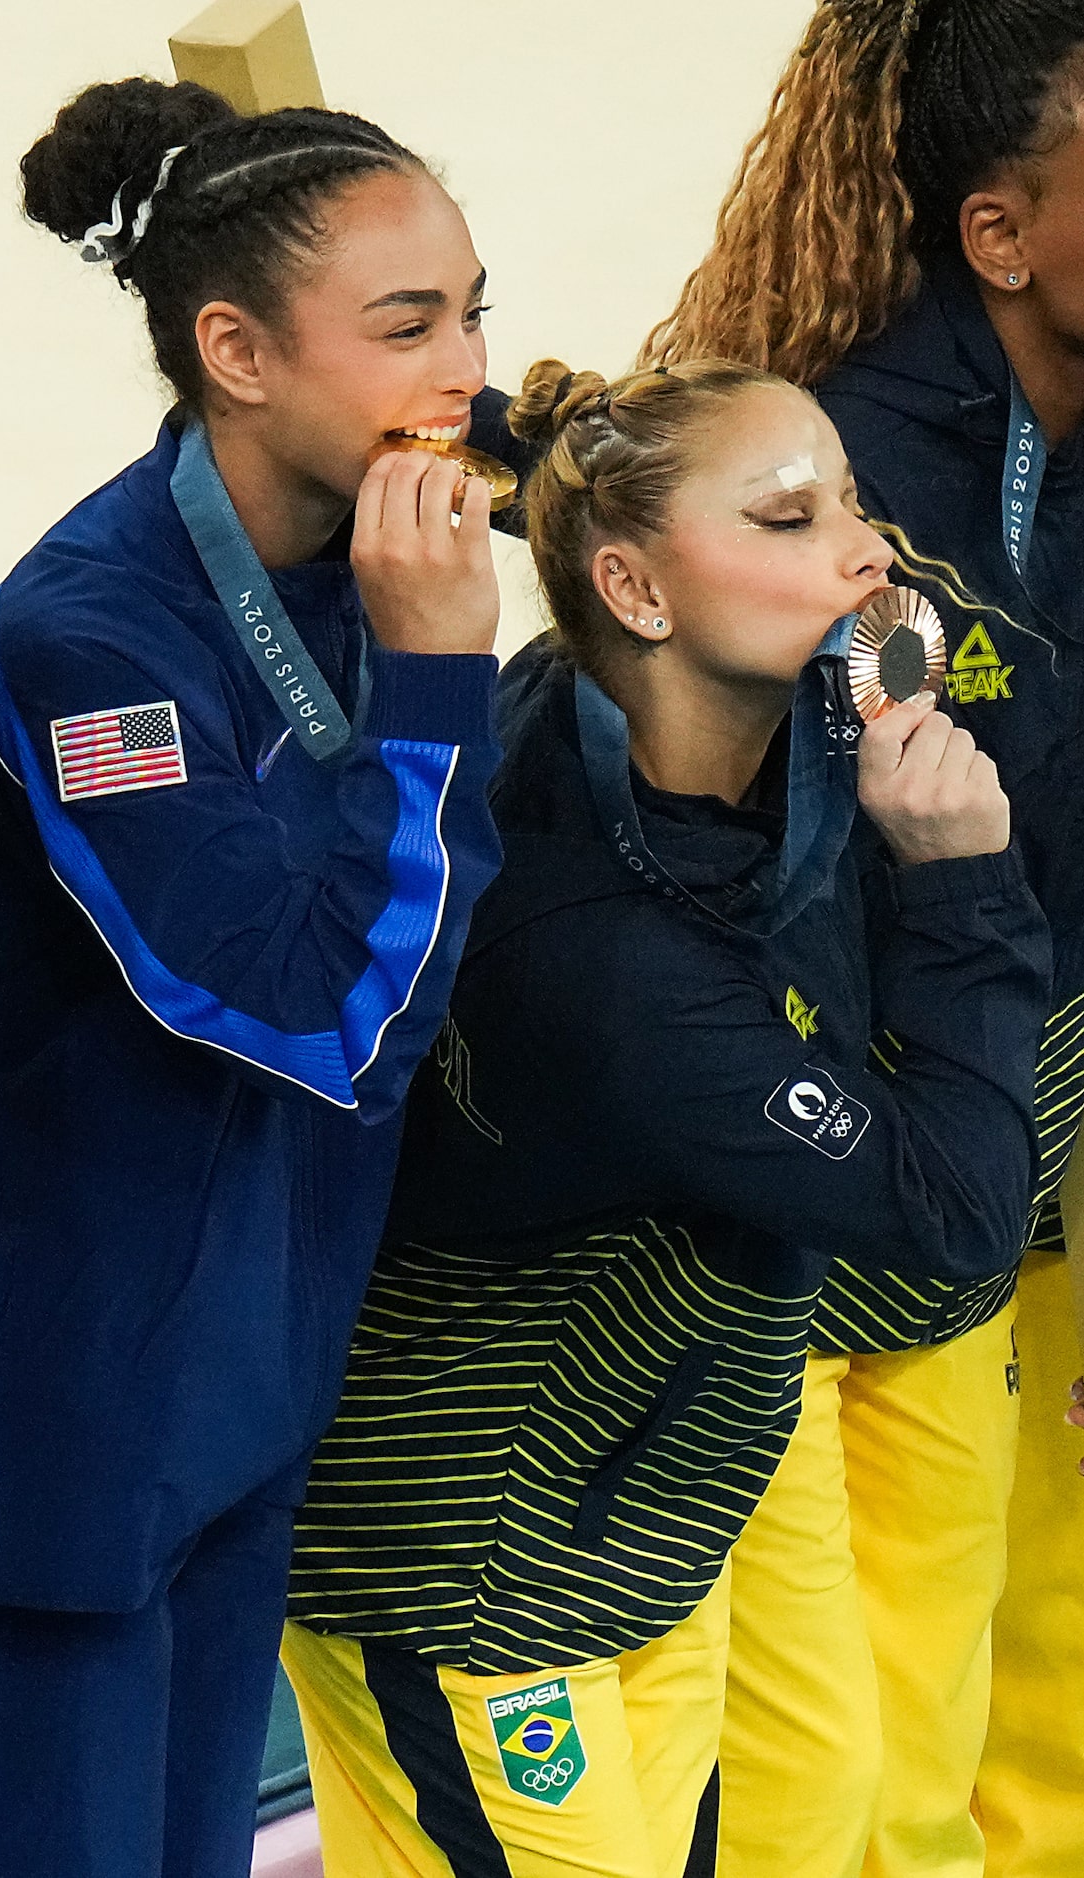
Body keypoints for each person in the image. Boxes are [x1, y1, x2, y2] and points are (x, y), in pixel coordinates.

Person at [281, 356, 1046, 1878]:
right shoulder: (602, 957)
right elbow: (958, 1208)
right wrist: (960, 881)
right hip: (463, 1576)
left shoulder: (692, 714)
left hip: (637, 1535)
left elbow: (612, 486)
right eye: (787, 517)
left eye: (847, 496)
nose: (862, 548)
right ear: (633, 590)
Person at [0, 77, 510, 1878]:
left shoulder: (367, 549)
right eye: (408, 325)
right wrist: (431, 690)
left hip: (260, 1341)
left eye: (474, 304)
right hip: (84, 1391)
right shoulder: (86, 636)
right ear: (236, 352)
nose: (470, 369)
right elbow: (310, 1017)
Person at [647, 7, 1084, 1871]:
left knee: (1047, 1605)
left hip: (1039, 1056)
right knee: (904, 1658)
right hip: (885, 1117)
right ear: (998, 236)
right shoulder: (848, 462)